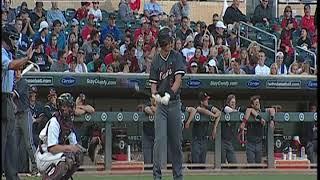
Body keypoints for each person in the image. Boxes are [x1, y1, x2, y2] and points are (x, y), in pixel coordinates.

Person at [149, 27, 186, 180]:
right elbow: (153, 86)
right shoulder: (156, 60)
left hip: (174, 104)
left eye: (171, 41)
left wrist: (169, 95)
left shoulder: (176, 56)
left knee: (176, 142)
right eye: (168, 42)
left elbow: (178, 80)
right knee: (159, 141)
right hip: (162, 107)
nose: (171, 44)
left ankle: (178, 176)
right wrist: (157, 97)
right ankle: (157, 176)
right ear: (162, 43)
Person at [2, 24, 34, 180]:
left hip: (7, 99)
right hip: (2, 98)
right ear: (7, 38)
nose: (16, 42)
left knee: (11, 142)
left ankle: (12, 176)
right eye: (14, 39)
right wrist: (27, 58)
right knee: (4, 141)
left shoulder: (7, 53)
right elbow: (11, 66)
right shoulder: (2, 52)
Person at [35, 93, 84, 179]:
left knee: (78, 156)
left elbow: (75, 145)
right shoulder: (55, 122)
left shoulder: (68, 123)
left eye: (69, 106)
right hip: (44, 155)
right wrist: (69, 148)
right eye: (66, 106)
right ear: (61, 107)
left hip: (54, 155)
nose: (69, 109)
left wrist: (83, 149)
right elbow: (52, 148)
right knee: (66, 159)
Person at [13, 68, 39, 175]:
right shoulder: (12, 83)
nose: (17, 73)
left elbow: (13, 95)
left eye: (19, 71)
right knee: (13, 144)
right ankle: (11, 170)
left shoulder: (23, 83)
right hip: (15, 116)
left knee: (29, 143)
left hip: (24, 114)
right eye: (16, 71)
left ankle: (35, 168)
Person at [239, 95, 275, 163]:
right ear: (252, 105)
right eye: (256, 103)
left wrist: (272, 120)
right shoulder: (249, 110)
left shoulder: (262, 110)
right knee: (251, 163)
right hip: (250, 143)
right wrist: (260, 118)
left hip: (259, 143)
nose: (258, 104)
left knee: (258, 163)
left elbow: (272, 109)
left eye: (258, 102)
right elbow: (249, 110)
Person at [188, 92, 221, 166]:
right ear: (201, 102)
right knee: (196, 163)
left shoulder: (209, 107)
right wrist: (213, 115)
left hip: (204, 139)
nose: (207, 101)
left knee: (202, 163)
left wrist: (214, 128)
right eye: (205, 100)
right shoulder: (196, 107)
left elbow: (219, 113)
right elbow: (201, 110)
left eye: (207, 99)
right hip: (196, 139)